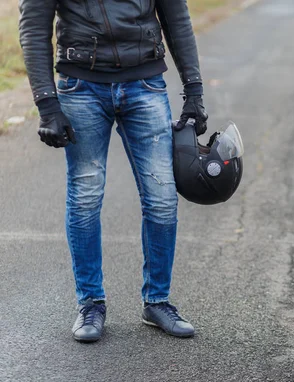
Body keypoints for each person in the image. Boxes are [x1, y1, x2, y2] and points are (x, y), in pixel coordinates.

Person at [18, 0, 208, 342]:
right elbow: (33, 26)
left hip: (145, 84)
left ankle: (157, 301)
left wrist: (194, 90)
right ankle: (90, 303)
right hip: (80, 88)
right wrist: (47, 104)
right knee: (86, 196)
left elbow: (176, 17)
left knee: (162, 198)